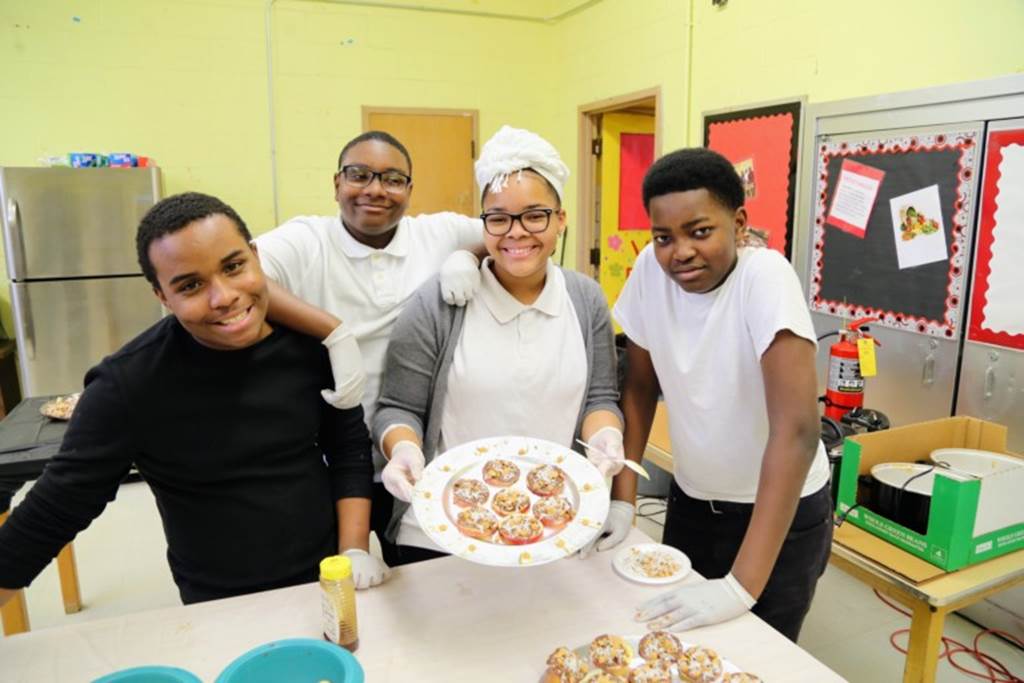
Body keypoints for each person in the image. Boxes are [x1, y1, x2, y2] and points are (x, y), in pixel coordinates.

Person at [0, 192, 388, 608]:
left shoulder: (310, 349)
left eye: (234, 266)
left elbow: (347, 450)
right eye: (191, 285)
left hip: (325, 572)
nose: (223, 297)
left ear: (256, 257)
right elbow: (55, 509)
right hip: (217, 595)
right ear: (162, 296)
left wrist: (352, 551)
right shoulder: (128, 385)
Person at [370, 126, 631, 564]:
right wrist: (404, 449)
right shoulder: (438, 303)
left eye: (535, 215)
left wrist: (605, 434)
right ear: (483, 222)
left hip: (551, 528)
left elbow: (600, 397)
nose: (516, 232)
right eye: (499, 217)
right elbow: (397, 408)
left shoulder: (584, 300)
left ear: (561, 219)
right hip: (444, 536)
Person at [614, 148, 832, 642]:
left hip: (779, 511)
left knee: (755, 654)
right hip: (693, 502)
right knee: (677, 645)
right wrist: (623, 501)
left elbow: (796, 431)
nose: (680, 252)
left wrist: (741, 586)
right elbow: (640, 387)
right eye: (663, 236)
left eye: (700, 231)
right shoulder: (651, 269)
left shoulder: (765, 278)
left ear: (738, 223)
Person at [255, 131, 486, 566]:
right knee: (335, 579)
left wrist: (467, 257)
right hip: (331, 458)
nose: (376, 190)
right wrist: (332, 331)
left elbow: (506, 230)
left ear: (410, 190)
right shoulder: (308, 240)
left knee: (421, 580)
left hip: (416, 454)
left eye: (393, 179)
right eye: (359, 175)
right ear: (336, 183)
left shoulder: (437, 233)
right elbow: (243, 273)